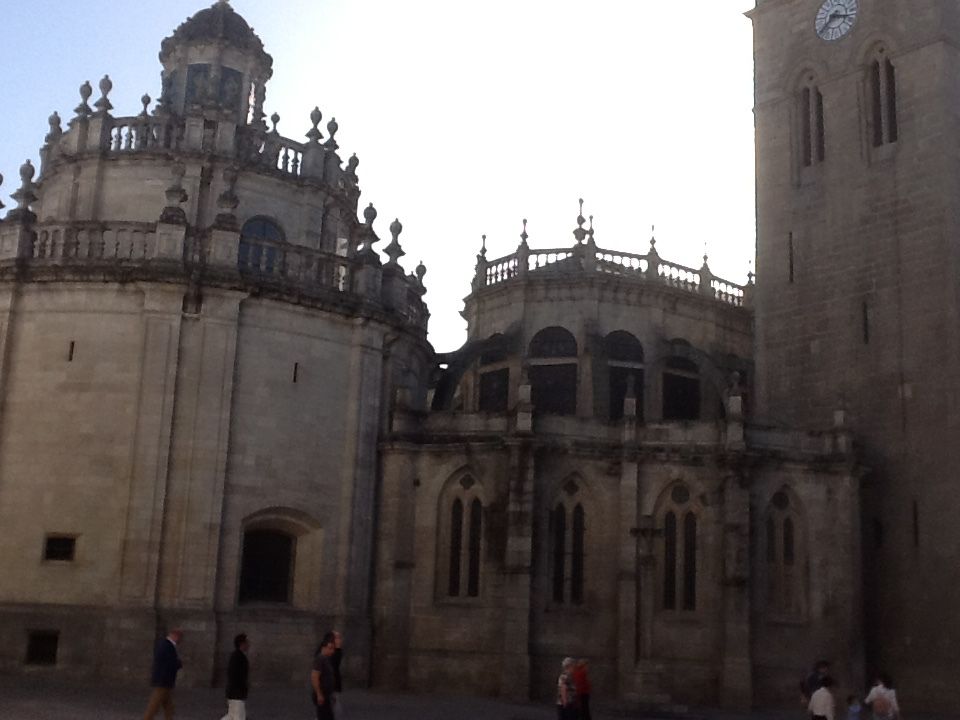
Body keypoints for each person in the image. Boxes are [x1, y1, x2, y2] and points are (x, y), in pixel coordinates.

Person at [143, 628, 183, 720]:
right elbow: (169, 662)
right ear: (175, 636)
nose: (180, 640)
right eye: (180, 638)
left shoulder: (164, 644)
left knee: (168, 705)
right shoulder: (167, 645)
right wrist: (178, 663)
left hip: (164, 679)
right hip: (163, 679)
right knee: (154, 704)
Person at [221, 633, 250, 720]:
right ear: (242, 644)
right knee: (239, 717)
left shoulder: (237, 655)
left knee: (231, 716)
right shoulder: (238, 656)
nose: (249, 644)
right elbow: (235, 675)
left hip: (234, 692)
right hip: (237, 693)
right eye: (247, 642)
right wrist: (242, 688)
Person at [311, 632, 337, 720]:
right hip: (322, 694)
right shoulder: (320, 659)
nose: (332, 651)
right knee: (325, 716)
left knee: (324, 716)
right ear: (323, 648)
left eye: (333, 649)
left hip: (326, 694)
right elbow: (314, 677)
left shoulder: (326, 659)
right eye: (330, 648)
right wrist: (319, 694)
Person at [330, 630, 344, 719]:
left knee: (334, 705)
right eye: (337, 637)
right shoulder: (327, 652)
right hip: (329, 682)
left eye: (339, 637)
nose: (340, 640)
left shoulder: (338, 651)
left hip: (334, 682)